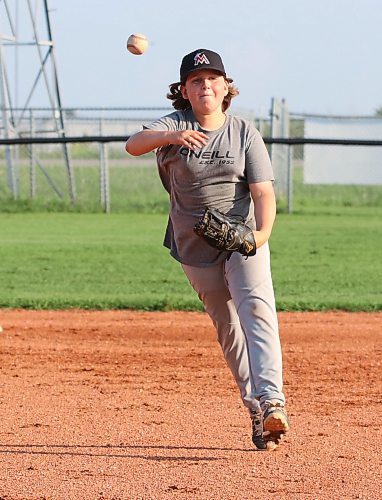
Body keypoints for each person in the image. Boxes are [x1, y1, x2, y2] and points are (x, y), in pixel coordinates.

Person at [125, 48, 290, 450]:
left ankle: (273, 403)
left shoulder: (243, 131)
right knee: (229, 330)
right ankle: (253, 407)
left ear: (225, 86)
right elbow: (133, 144)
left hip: (242, 239)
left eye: (213, 78)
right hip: (192, 243)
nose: (205, 86)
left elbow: (263, 191)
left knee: (257, 310)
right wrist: (170, 135)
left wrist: (261, 235)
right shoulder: (173, 124)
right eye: (197, 80)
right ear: (184, 89)